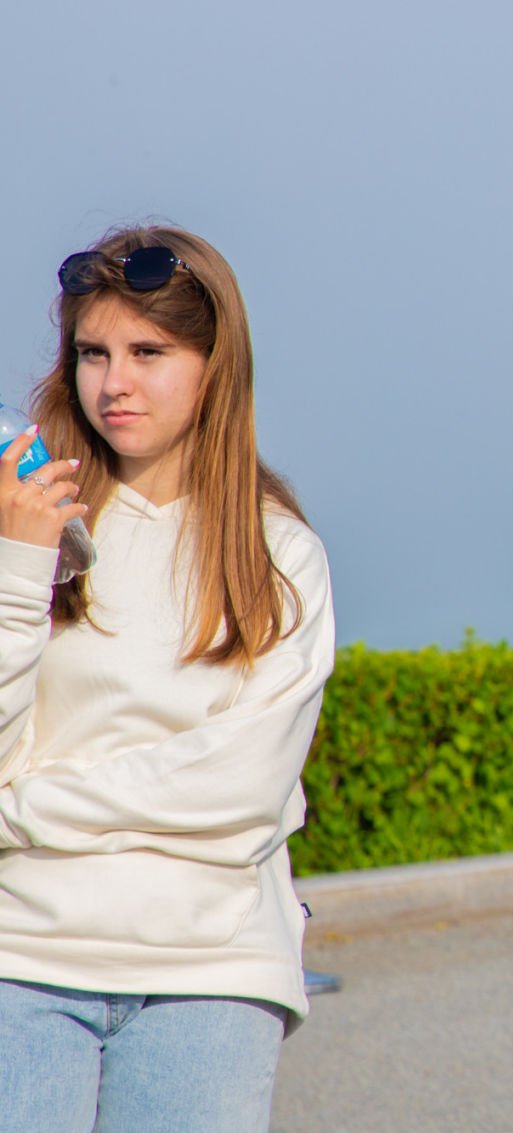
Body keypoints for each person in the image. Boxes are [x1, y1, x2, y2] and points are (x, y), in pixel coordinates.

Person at [0, 227, 335, 1132]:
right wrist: (19, 568)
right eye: (93, 353)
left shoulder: (280, 554)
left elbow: (242, 786)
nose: (115, 383)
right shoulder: (26, 527)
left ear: (214, 365)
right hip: (21, 955)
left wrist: (21, 810)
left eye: (149, 352)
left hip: (212, 972)